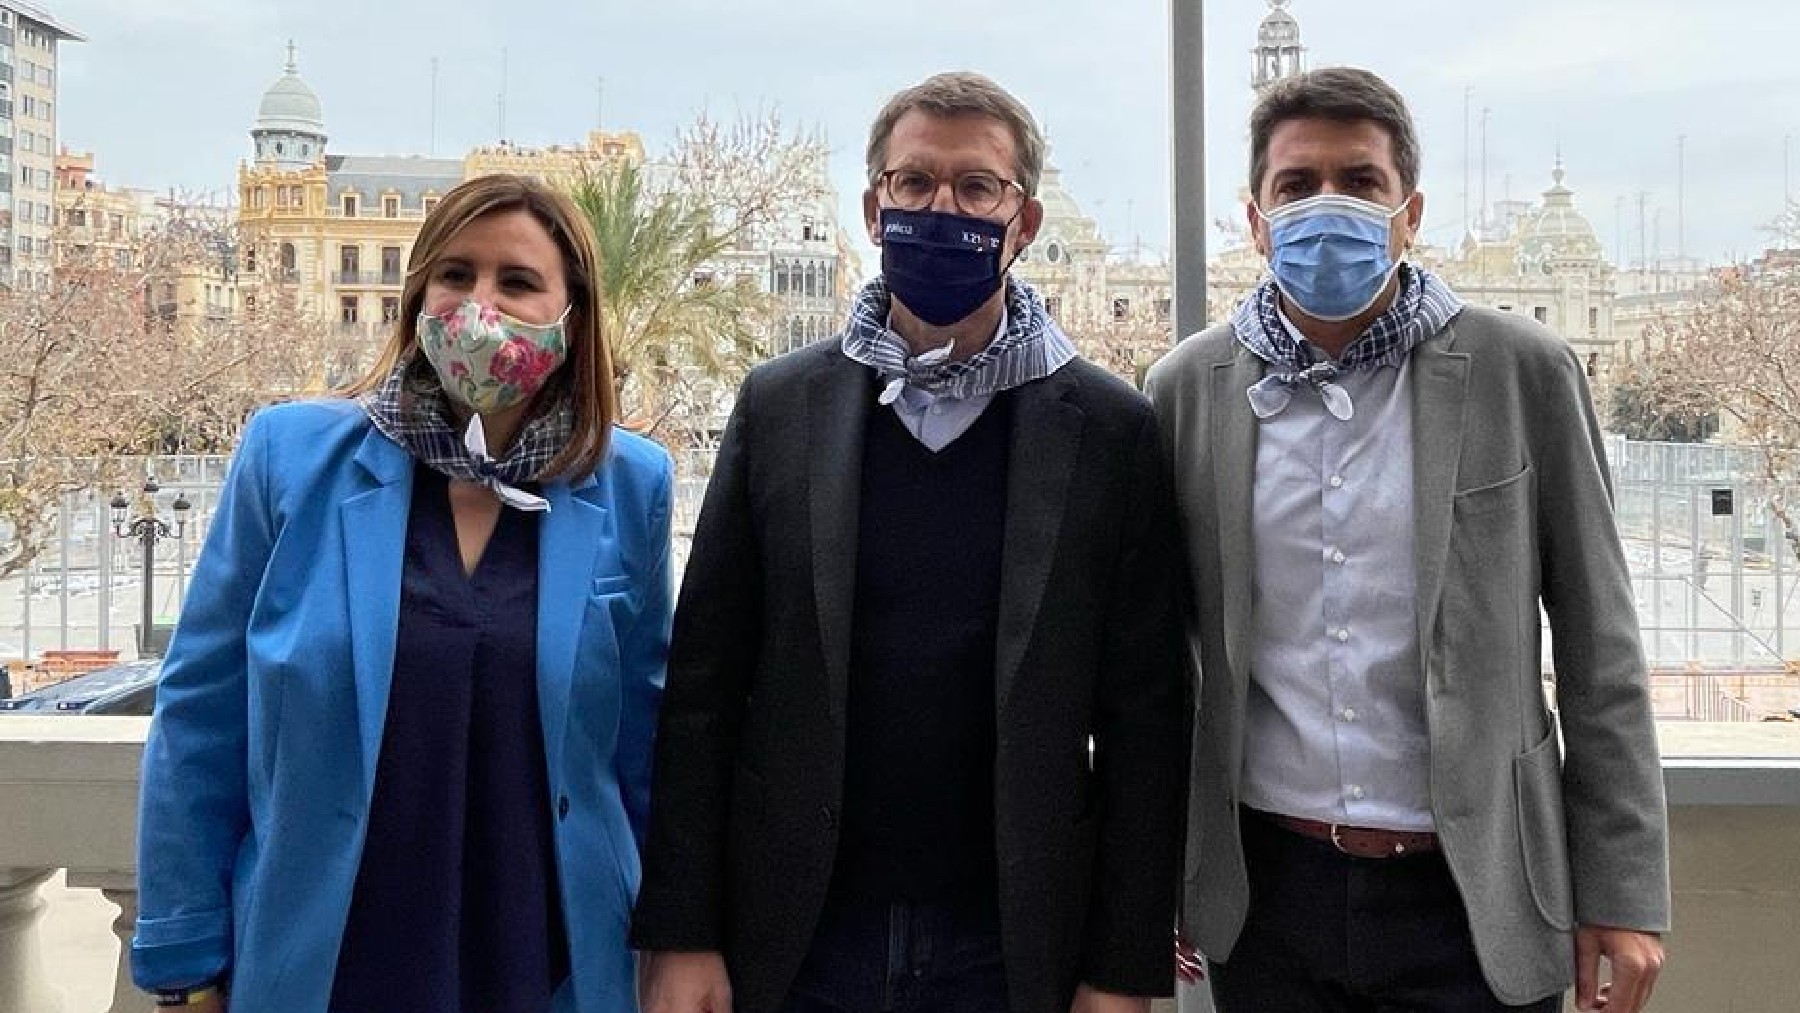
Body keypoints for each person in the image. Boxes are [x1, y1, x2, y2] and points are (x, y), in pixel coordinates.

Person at [629, 71, 1191, 1013]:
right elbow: (704, 687)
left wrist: (1119, 971)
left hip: (1014, 946)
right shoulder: (782, 406)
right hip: (801, 932)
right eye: (915, 183)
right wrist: (683, 928)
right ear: (872, 206)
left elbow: (1148, 719)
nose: (944, 208)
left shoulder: (1109, 429)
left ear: (1027, 221)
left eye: (978, 188)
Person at [1146, 67, 1669, 1013]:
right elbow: (1156, 663)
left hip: (1475, 896)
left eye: (1360, 180)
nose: (1327, 205)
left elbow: (1602, 651)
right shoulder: (1188, 388)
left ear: (1409, 211)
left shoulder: (1523, 372)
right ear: (1255, 219)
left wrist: (1625, 892)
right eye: (1297, 186)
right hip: (1268, 895)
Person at [131, 173, 673, 1013]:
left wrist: (672, 941)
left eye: (518, 281)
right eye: (455, 274)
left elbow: (644, 740)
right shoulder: (290, 458)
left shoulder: (629, 485)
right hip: (331, 961)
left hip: (548, 962)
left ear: (574, 315)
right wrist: (183, 952)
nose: (478, 305)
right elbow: (201, 711)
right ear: (418, 293)